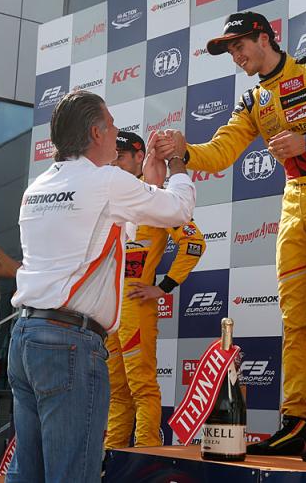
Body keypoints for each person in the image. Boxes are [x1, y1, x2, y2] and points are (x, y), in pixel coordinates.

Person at [157, 12, 306, 462]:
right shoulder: (253, 100)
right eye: (230, 51)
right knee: (295, 318)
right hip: (294, 198)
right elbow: (221, 151)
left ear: (264, 38)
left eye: (240, 46)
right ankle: (295, 424)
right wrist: (184, 151)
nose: (236, 57)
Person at [5, 90, 195, 482]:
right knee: (73, 474)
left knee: (28, 475)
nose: (116, 132)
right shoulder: (106, 182)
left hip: (24, 337)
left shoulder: (37, 186)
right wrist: (177, 161)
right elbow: (178, 209)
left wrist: (150, 185)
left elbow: (115, 230)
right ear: (96, 133)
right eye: (111, 125)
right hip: (69, 342)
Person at [104, 132, 206, 451]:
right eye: (112, 157)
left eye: (121, 157)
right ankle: (111, 456)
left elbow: (193, 243)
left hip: (135, 308)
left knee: (142, 386)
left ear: (139, 158)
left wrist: (162, 288)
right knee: (116, 391)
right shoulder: (111, 198)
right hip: (108, 311)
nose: (115, 163)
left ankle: (146, 454)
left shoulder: (156, 199)